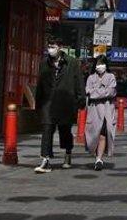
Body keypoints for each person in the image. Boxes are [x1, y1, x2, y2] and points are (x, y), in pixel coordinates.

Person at [33, 37, 82, 173]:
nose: (50, 49)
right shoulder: (44, 63)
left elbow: (79, 83)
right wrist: (38, 104)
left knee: (65, 130)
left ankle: (67, 153)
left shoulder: (72, 63)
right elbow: (40, 84)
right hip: (48, 102)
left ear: (60, 47)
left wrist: (80, 100)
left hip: (65, 102)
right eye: (49, 46)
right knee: (47, 129)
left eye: (53, 46)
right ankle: (45, 159)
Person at [84, 57, 116, 170]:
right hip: (93, 110)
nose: (100, 66)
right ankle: (95, 154)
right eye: (98, 64)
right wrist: (102, 92)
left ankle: (99, 158)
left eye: (102, 63)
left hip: (106, 109)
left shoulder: (111, 77)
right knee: (93, 133)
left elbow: (110, 92)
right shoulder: (91, 77)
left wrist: (95, 92)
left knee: (103, 133)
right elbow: (88, 91)